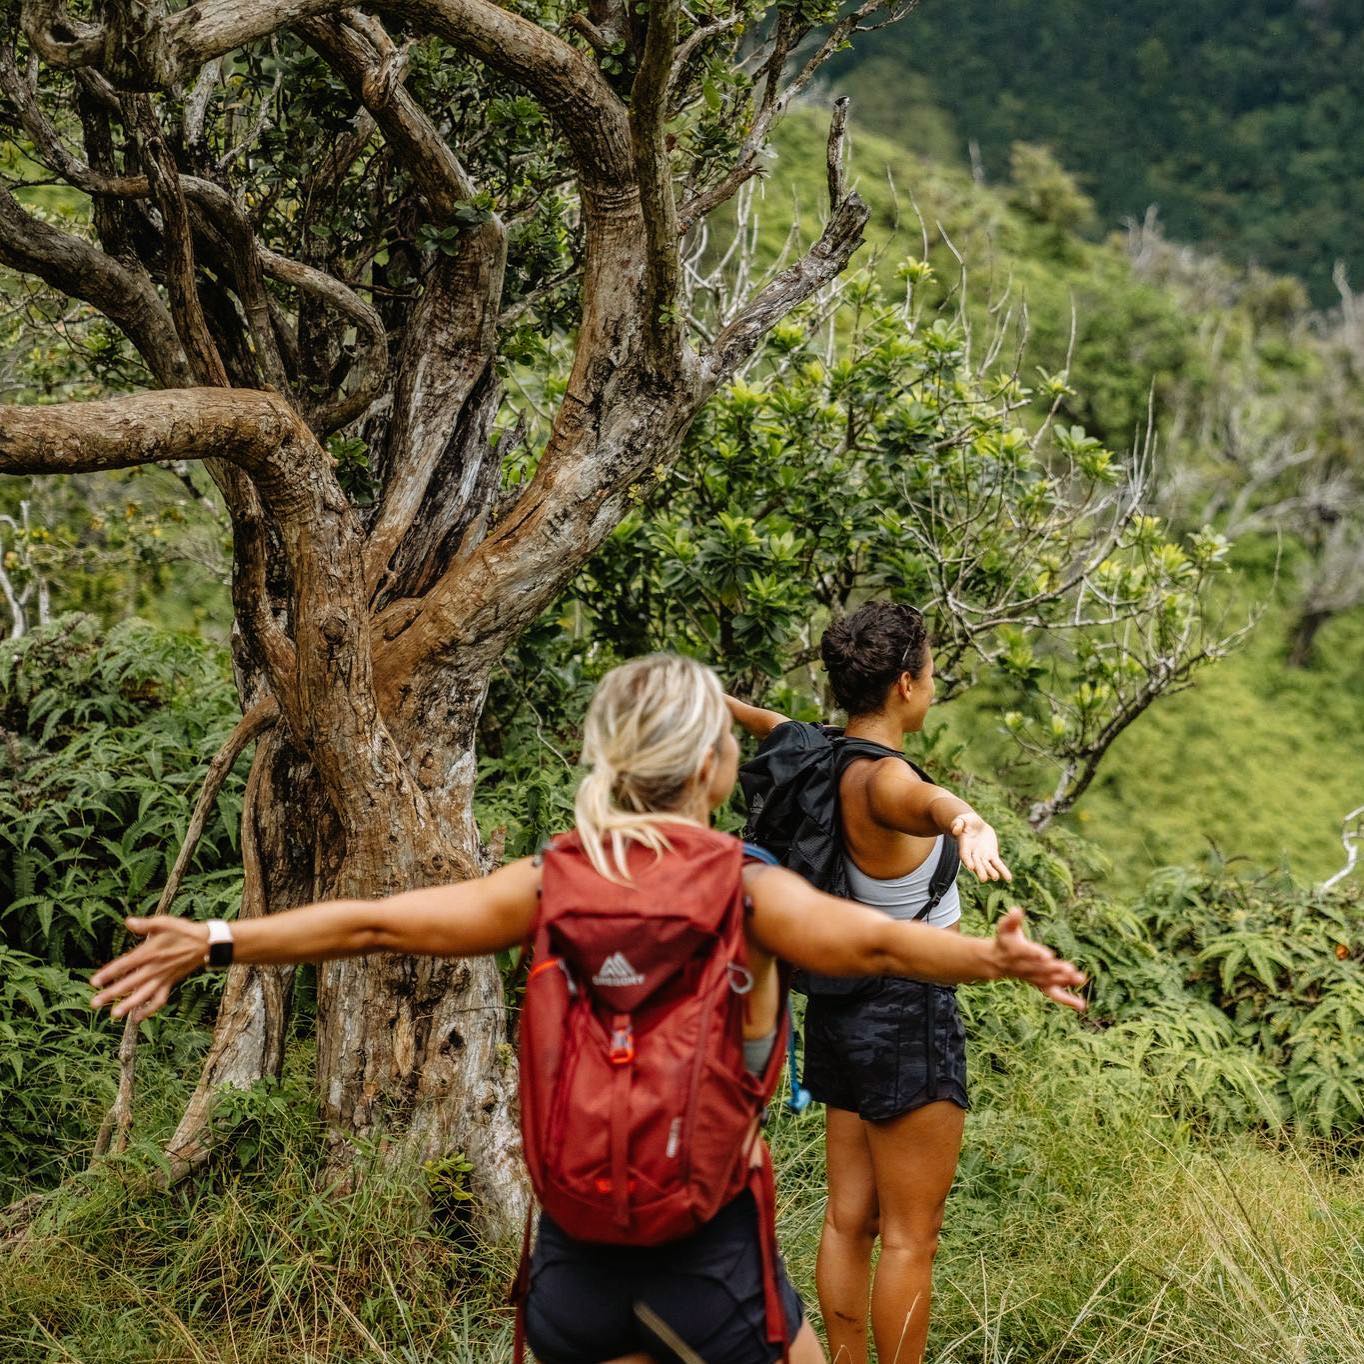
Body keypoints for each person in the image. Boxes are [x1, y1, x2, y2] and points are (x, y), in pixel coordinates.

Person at [91, 652, 1085, 1364]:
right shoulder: (743, 885)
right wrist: (986, 958)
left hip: (568, 1269)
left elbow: (376, 926)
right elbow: (866, 940)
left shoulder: (550, 879)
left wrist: (219, 937)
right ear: (711, 768)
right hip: (712, 1267)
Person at [727, 602, 1012, 1364]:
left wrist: (700, 699)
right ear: (906, 685)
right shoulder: (885, 780)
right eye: (931, 671)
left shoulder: (822, 750)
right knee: (910, 1236)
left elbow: (772, 723)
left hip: (842, 1007)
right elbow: (922, 801)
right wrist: (965, 822)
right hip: (907, 1011)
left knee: (847, 1218)